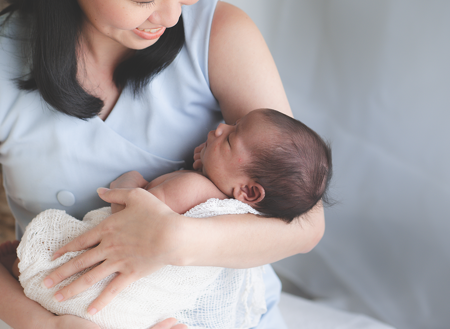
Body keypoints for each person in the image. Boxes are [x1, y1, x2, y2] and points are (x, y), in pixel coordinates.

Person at [0, 0, 326, 328]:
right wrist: (53, 326)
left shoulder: (219, 34)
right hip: (55, 308)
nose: (172, 17)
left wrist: (174, 240)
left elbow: (306, 223)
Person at [0, 108, 332, 328]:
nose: (219, 127)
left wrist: (128, 180)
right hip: (149, 311)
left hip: (112, 283)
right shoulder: (242, 219)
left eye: (230, 138)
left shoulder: (192, 186)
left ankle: (16, 264)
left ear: (248, 192)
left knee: (46, 258)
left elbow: (131, 218)